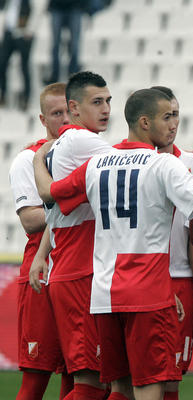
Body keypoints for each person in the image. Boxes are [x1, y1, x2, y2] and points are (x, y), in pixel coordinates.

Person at [32, 88, 193, 400]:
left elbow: (49, 193)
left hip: (104, 295)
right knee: (150, 389)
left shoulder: (97, 164)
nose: (173, 124)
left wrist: (38, 159)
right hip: (147, 295)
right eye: (167, 117)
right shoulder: (163, 164)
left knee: (119, 389)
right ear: (144, 122)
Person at [28, 71, 113, 400]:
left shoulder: (66, 144)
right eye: (97, 102)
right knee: (91, 385)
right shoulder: (82, 141)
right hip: (80, 271)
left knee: (104, 383)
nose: (106, 109)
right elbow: (132, 167)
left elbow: (56, 206)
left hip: (75, 267)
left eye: (108, 101)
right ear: (74, 108)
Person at [9, 83, 73, 400]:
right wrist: (71, 202)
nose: (64, 119)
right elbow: (30, 220)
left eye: (68, 111)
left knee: (81, 376)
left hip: (78, 270)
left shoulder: (90, 154)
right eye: (56, 113)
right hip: (42, 271)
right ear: (42, 119)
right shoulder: (28, 159)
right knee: (36, 379)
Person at [152, 86, 193, 400]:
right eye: (166, 116)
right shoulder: (124, 161)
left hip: (179, 279)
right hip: (136, 280)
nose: (173, 123)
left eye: (175, 115)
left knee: (172, 378)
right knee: (129, 377)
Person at [0, 0, 34, 110]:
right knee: (2, 63)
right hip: (8, 33)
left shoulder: (26, 2)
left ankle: (26, 97)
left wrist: (30, 30)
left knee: (24, 66)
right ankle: (3, 94)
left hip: (23, 34)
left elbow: (35, 12)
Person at [46, 0, 84, 83]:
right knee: (55, 44)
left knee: (75, 44)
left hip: (75, 7)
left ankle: (73, 74)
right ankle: (55, 75)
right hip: (56, 7)